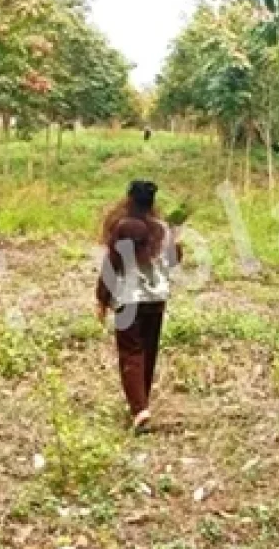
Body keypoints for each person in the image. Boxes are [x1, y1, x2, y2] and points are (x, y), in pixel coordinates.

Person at [96, 180, 182, 432]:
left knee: (131, 352)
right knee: (148, 350)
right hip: (156, 300)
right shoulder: (163, 229)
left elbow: (112, 265)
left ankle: (139, 409)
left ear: (129, 200)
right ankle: (141, 404)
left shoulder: (124, 227)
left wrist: (102, 299)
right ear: (152, 202)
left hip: (128, 300)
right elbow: (174, 260)